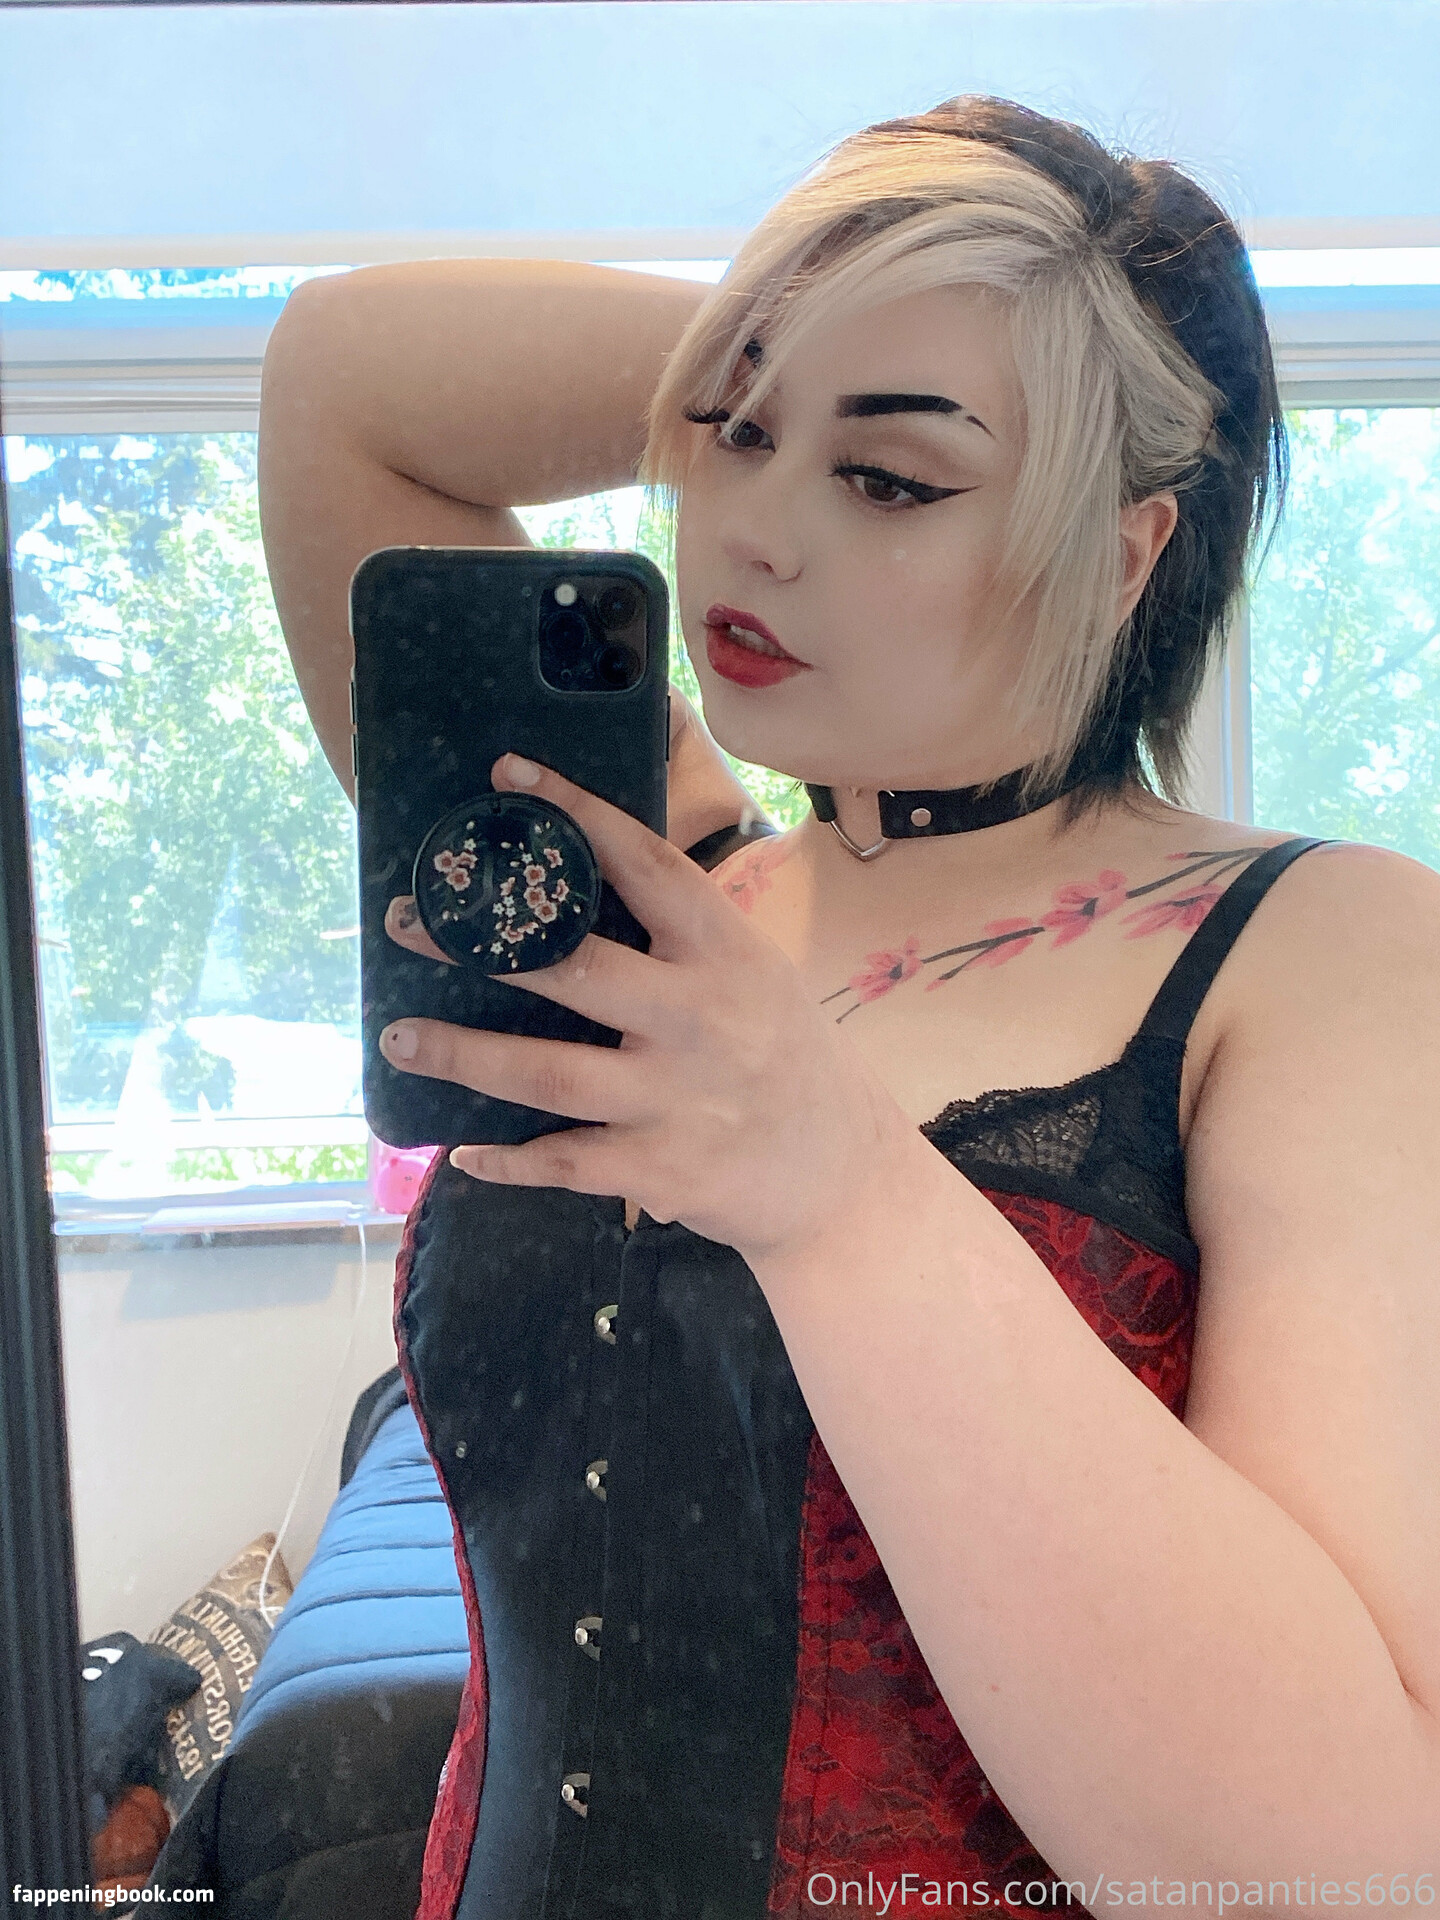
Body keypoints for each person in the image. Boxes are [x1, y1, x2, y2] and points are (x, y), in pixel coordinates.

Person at [258, 96, 1440, 1920]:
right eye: (731, 436)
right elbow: (342, 379)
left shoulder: (1330, 952)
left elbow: (1351, 1863)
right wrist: (820, 341)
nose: (751, 528)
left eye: (888, 478)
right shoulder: (639, 887)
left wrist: (841, 1188)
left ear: (1124, 549)